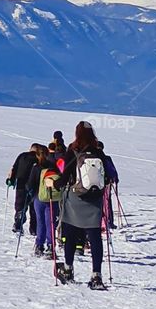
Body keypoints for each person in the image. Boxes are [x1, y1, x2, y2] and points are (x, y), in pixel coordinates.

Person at [56, 121, 110, 289]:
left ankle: (68, 269)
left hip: (75, 198)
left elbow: (64, 176)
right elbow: (106, 177)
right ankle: (96, 275)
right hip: (94, 200)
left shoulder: (72, 151)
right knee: (95, 238)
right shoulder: (99, 152)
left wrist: (56, 184)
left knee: (70, 234)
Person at [29, 146, 59, 258]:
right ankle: (51, 246)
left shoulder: (36, 167)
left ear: (37, 155)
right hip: (52, 198)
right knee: (51, 222)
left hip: (39, 197)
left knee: (40, 222)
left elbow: (30, 184)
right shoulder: (53, 166)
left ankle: (39, 245)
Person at [7, 145, 39, 234]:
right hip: (33, 186)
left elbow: (14, 168)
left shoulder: (22, 156)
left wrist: (11, 180)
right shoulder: (38, 158)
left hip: (20, 184)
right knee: (33, 209)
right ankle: (34, 229)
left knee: (20, 206)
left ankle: (18, 224)